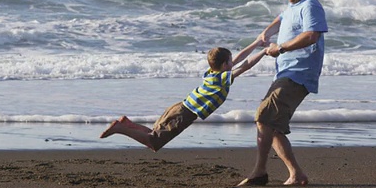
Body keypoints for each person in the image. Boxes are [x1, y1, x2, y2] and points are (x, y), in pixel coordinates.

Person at [238, 0, 328, 187]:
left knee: (263, 116)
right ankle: (296, 175)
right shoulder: (293, 6)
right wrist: (266, 33)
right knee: (273, 127)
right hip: (286, 72)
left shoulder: (310, 6)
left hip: (299, 72)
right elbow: (280, 19)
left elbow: (311, 35)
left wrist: (282, 48)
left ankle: (259, 172)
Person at [99, 39, 267, 151]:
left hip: (179, 107)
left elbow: (238, 59)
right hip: (184, 115)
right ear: (224, 65)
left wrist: (257, 42)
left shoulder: (212, 72)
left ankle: (127, 124)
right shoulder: (222, 78)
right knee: (154, 142)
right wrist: (264, 52)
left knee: (154, 132)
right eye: (230, 62)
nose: (233, 63)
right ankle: (120, 128)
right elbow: (245, 66)